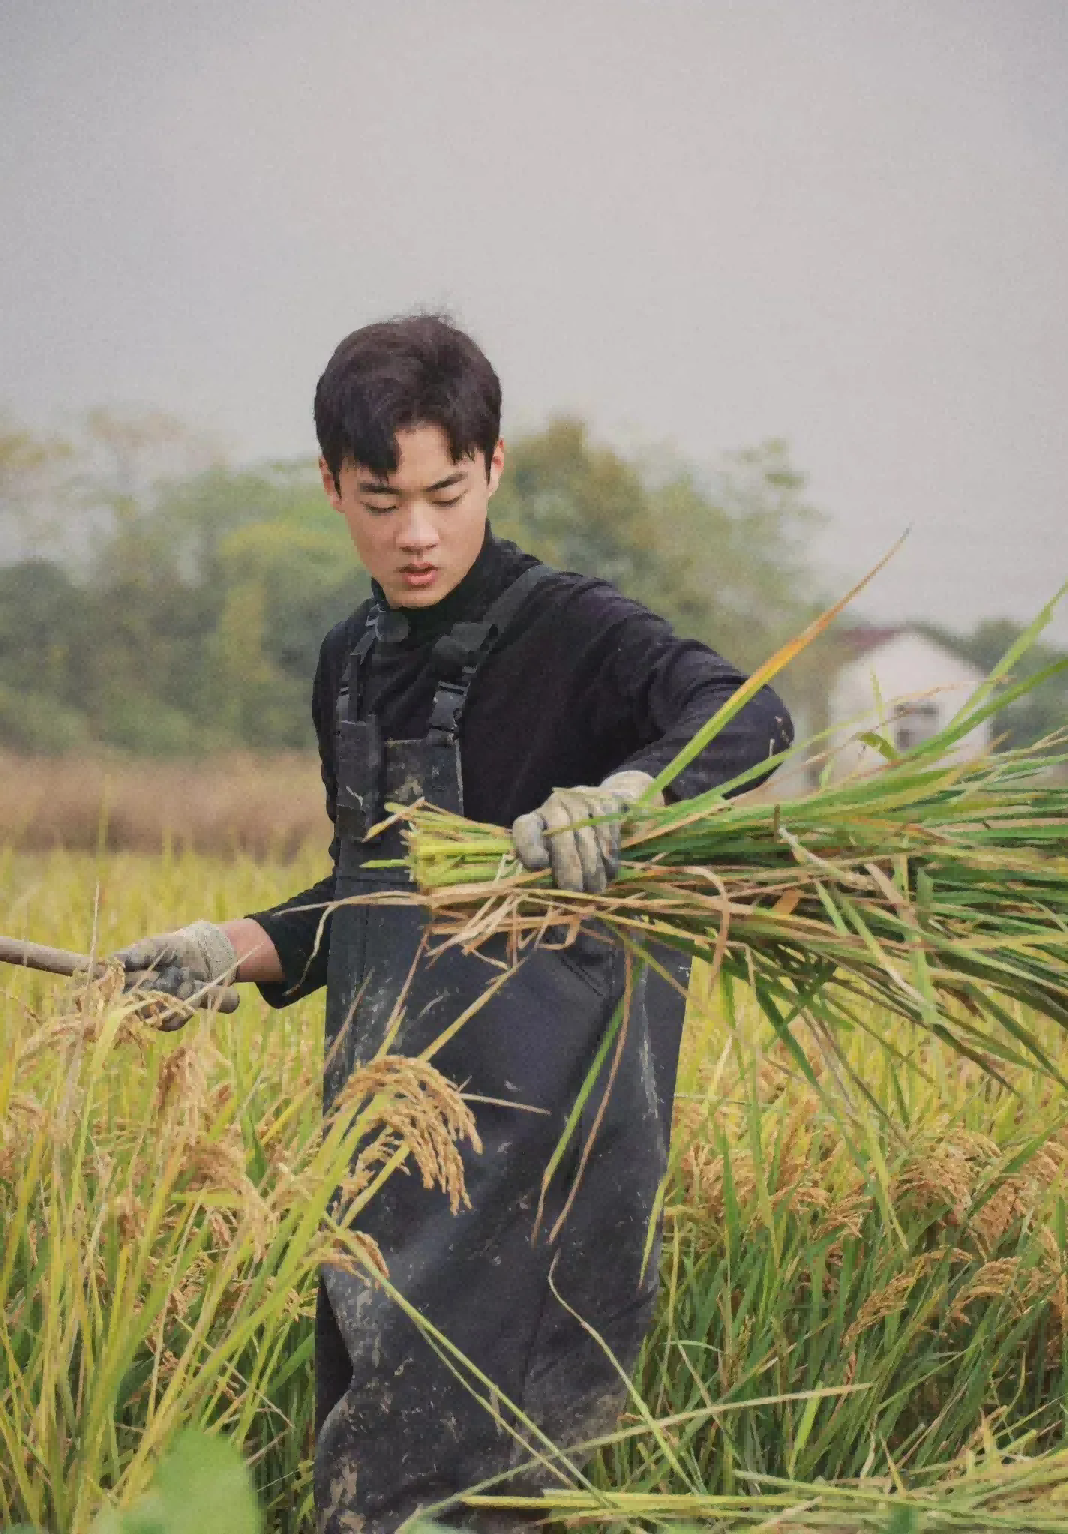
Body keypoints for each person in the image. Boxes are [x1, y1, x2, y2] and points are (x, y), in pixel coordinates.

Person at [113, 315, 794, 1534]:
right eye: (381, 499)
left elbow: (747, 716)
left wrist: (628, 799)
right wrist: (233, 948)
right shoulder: (349, 662)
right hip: (380, 1159)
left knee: (474, 1503)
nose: (416, 534)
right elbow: (373, 900)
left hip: (541, 1185)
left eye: (445, 491)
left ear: (493, 467)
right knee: (366, 1481)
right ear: (330, 486)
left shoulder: (576, 632)